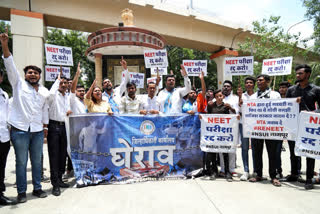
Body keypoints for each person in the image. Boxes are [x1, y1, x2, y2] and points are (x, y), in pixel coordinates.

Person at [1, 29, 49, 203]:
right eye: (30, 72)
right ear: (25, 75)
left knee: (37, 162)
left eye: (36, 73)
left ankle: (37, 188)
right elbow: (9, 65)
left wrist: (45, 127)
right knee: (21, 163)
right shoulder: (18, 84)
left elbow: (45, 110)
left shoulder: (44, 91)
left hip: (37, 131)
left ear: (39, 76)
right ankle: (22, 192)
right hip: (19, 130)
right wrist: (5, 45)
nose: (33, 75)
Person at [285, 64, 320, 190]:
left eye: (300, 73)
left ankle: (309, 178)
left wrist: (313, 113)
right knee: (293, 151)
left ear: (308, 74)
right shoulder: (292, 90)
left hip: (309, 127)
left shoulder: (316, 90)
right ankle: (295, 173)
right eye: (297, 73)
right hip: (294, 125)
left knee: (309, 152)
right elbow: (286, 106)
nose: (297, 75)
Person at [248, 74, 282, 187]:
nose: (258, 82)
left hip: (271, 128)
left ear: (268, 82)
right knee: (256, 152)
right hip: (256, 128)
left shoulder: (275, 95)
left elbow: (281, 109)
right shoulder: (252, 97)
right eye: (257, 80)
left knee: (273, 153)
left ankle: (274, 176)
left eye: (261, 80)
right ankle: (258, 174)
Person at [46, 72, 72, 196]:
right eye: (61, 83)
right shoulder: (53, 95)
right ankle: (55, 184)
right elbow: (50, 94)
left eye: (65, 83)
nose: (63, 85)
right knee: (54, 156)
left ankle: (60, 179)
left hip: (64, 127)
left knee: (63, 155)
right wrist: (57, 80)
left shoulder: (67, 96)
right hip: (54, 126)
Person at [204, 89, 236, 181]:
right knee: (213, 153)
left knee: (225, 152)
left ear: (223, 97)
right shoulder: (211, 106)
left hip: (223, 133)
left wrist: (231, 108)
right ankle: (214, 172)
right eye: (217, 96)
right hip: (213, 133)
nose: (219, 98)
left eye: (220, 96)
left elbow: (234, 115)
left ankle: (227, 172)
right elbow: (207, 117)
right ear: (215, 97)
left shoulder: (226, 106)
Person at [0, 70, 15, 205]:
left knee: (1, 167)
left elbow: (7, 115)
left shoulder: (4, 94)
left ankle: (0, 194)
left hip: (3, 137)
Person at [219, 80, 239, 177]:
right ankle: (222, 169)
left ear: (231, 88)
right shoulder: (218, 98)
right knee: (221, 149)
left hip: (232, 127)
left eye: (228, 86)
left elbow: (238, 113)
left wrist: (231, 108)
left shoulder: (236, 99)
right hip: (220, 128)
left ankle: (231, 169)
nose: (226, 88)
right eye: (224, 86)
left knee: (232, 148)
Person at [238, 76, 256, 181]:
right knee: (244, 148)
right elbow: (239, 108)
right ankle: (246, 170)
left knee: (255, 148)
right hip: (243, 124)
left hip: (255, 125)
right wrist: (240, 97)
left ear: (254, 84)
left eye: (250, 82)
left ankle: (256, 170)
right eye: (247, 83)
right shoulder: (241, 95)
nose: (248, 84)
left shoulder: (258, 96)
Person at [275, 81, 291, 179]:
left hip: (291, 128)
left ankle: (295, 172)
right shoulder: (276, 99)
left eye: (284, 87)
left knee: (294, 152)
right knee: (277, 151)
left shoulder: (293, 99)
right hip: (278, 128)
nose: (282, 89)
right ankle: (278, 171)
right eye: (280, 87)